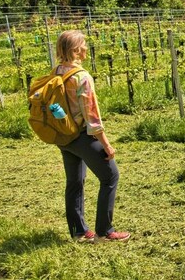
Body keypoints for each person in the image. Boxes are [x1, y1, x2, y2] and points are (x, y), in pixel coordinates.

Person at [54, 30, 130, 243]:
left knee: (74, 182)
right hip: (82, 137)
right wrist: (106, 145)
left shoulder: (57, 72)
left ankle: (78, 232)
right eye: (84, 44)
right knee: (110, 177)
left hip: (64, 136)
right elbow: (92, 118)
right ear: (76, 50)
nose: (87, 48)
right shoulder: (81, 77)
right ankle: (105, 232)